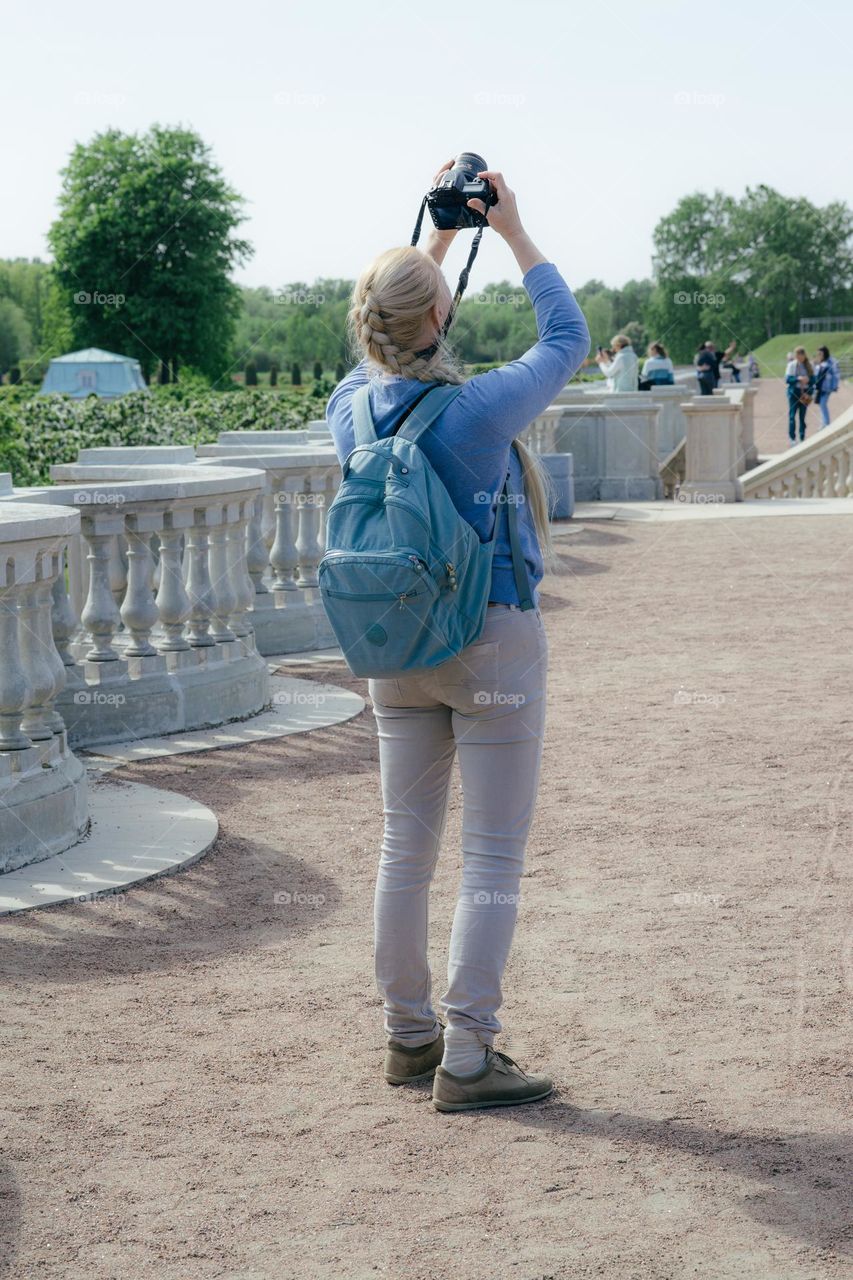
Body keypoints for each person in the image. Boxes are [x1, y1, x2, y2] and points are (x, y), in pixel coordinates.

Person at [326, 160, 590, 1112]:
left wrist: (431, 238)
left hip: (395, 652)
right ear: (440, 316)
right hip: (489, 641)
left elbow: (383, 338)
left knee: (404, 847)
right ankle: (469, 1056)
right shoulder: (479, 411)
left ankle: (408, 1039)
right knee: (491, 857)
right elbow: (567, 334)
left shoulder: (349, 409)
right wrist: (510, 229)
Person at [785, 346, 815, 444]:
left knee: (802, 416)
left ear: (804, 355)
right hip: (794, 393)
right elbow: (788, 379)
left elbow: (814, 380)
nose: (799, 358)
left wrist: (808, 380)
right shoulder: (792, 365)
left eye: (800, 356)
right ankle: (792, 438)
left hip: (805, 393)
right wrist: (798, 379)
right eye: (797, 356)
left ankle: (802, 436)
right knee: (792, 416)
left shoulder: (809, 365)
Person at [813, 345, 840, 428]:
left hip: (827, 387)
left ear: (825, 353)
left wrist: (834, 386)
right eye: (818, 354)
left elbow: (836, 374)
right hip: (819, 387)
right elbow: (816, 374)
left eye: (820, 353)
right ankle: (824, 422)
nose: (819, 355)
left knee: (823, 404)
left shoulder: (831, 362)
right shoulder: (820, 361)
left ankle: (827, 424)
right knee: (820, 404)